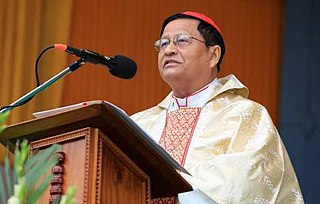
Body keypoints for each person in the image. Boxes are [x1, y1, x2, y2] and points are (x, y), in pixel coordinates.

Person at [131, 11, 304, 203]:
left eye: (181, 41)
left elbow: (243, 184)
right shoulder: (139, 124)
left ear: (213, 55)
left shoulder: (245, 116)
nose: (169, 50)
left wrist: (166, 186)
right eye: (163, 43)